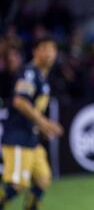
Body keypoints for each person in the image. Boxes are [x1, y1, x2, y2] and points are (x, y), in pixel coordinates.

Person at [0, 37, 63, 210]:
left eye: (52, 49)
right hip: (17, 137)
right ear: (35, 51)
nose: (49, 53)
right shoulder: (29, 72)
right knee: (17, 185)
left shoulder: (42, 77)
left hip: (31, 138)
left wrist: (40, 127)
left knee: (43, 179)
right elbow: (20, 102)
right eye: (44, 48)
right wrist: (44, 123)